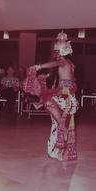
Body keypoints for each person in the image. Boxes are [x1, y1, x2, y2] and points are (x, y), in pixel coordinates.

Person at [28, 31, 78, 161]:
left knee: (48, 103)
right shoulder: (69, 63)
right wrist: (47, 76)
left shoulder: (63, 62)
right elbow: (64, 73)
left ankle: (64, 130)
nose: (56, 54)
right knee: (55, 123)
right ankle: (54, 151)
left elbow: (55, 64)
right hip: (68, 96)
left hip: (66, 97)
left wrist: (39, 66)